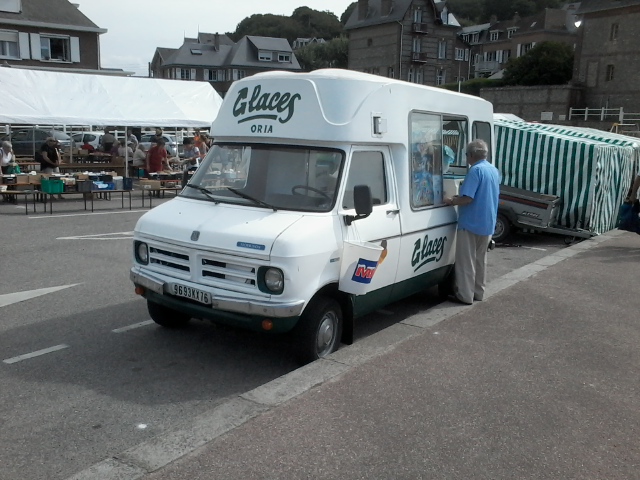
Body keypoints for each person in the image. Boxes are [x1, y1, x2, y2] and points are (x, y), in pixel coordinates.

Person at [444, 139, 500, 305]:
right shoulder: (493, 170)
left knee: (466, 261)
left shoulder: (475, 171)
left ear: (471, 155)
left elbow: (468, 198)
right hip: (487, 221)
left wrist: (451, 201)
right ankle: (478, 292)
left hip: (470, 222)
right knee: (480, 260)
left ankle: (464, 295)